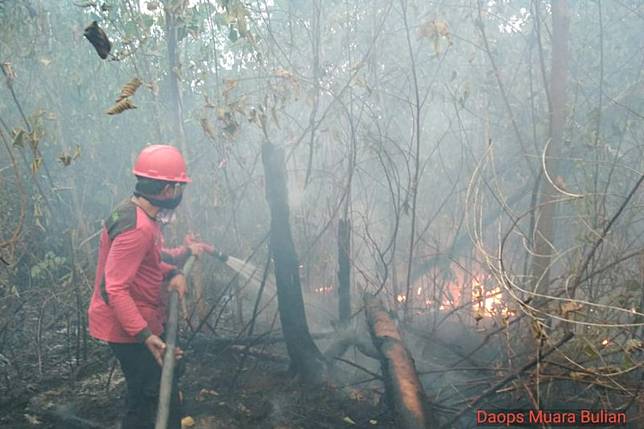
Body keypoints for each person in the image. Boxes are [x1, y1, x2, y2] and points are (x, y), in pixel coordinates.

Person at [87, 145, 212, 429]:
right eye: (178, 187)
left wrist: (176, 268)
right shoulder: (138, 229)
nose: (179, 194)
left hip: (137, 320)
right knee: (149, 399)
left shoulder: (137, 214)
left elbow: (148, 262)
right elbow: (114, 288)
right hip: (128, 328)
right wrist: (146, 336)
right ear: (167, 190)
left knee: (156, 388)